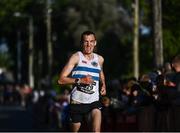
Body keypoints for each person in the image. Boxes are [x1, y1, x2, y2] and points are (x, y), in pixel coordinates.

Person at [58, 30, 106, 132]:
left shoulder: (100, 59)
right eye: (86, 41)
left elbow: (100, 72)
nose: (89, 45)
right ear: (81, 43)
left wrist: (103, 85)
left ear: (95, 43)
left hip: (93, 102)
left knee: (96, 131)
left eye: (91, 41)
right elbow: (61, 80)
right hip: (77, 103)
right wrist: (80, 80)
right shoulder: (76, 57)